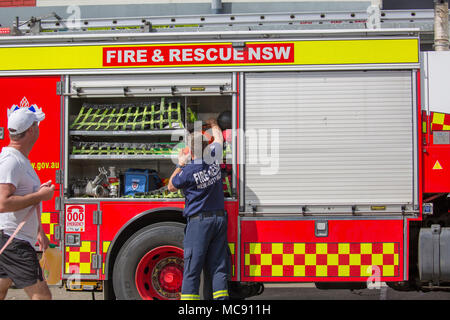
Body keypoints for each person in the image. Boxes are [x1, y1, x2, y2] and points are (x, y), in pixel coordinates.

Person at [168, 118, 229, 300]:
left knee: (192, 268)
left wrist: (180, 163)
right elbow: (219, 138)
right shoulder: (214, 156)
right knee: (218, 266)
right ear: (205, 147)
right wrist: (213, 123)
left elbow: (171, 186)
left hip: (199, 223)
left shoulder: (187, 172)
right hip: (219, 220)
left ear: (189, 151)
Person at [0, 106, 55, 300]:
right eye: (37, 124)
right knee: (42, 296)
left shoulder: (18, 159)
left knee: (1, 288)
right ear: (31, 130)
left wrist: (40, 231)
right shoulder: (12, 161)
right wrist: (41, 196)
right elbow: (3, 203)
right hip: (14, 241)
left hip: (10, 239)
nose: (39, 128)